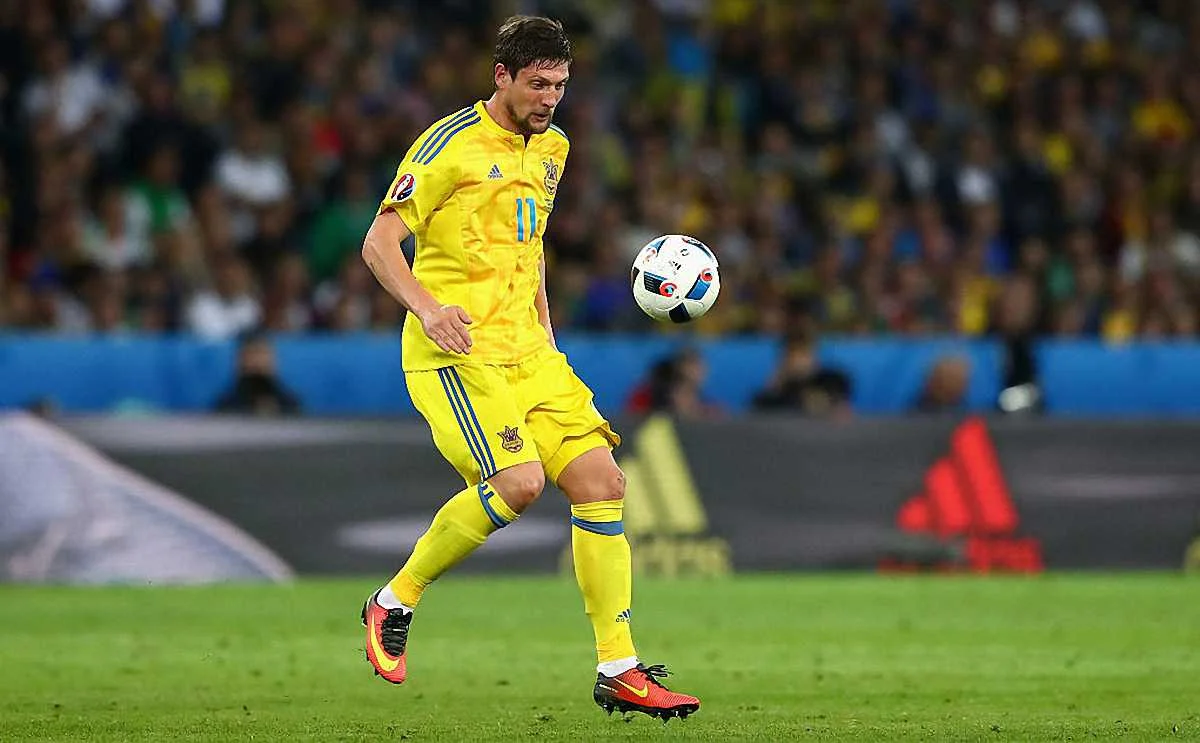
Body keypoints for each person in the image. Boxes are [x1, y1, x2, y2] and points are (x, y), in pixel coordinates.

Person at [358, 16, 699, 721]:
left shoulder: (554, 148)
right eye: (538, 84)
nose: (550, 98)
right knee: (518, 483)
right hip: (458, 352)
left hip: (529, 350)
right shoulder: (449, 145)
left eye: (560, 85)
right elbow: (379, 242)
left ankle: (619, 668)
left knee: (602, 481)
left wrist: (544, 323)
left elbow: (530, 239)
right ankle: (394, 600)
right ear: (502, 76)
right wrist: (427, 308)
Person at [214, 332, 301, 416]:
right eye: (252, 354)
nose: (257, 360)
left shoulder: (289, 402)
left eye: (263, 353)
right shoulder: (227, 404)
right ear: (240, 360)